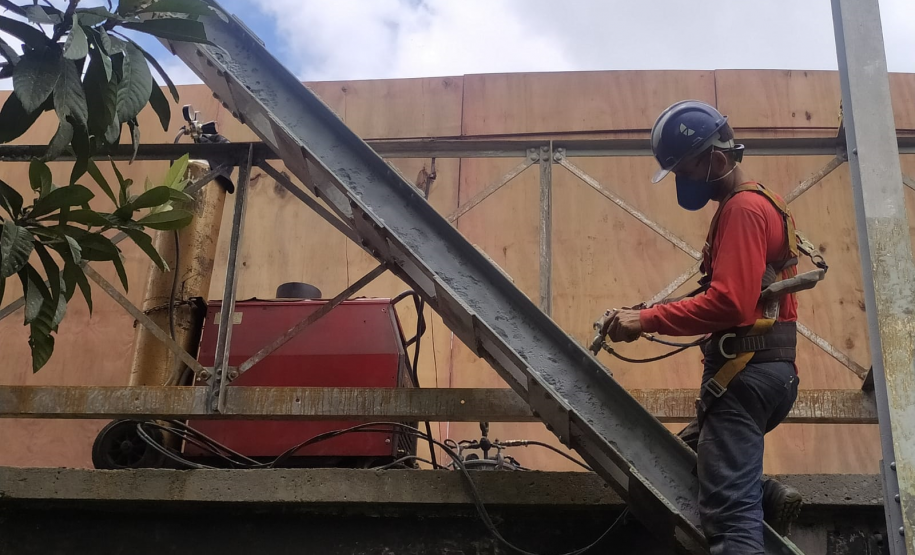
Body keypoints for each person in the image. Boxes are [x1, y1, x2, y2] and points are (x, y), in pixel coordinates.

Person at [604, 100, 804, 554]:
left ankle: (750, 500)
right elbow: (740, 294)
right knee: (683, 455)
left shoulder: (742, 210)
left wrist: (648, 320)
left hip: (746, 374)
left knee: (731, 523)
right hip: (769, 371)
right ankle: (768, 493)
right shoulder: (762, 204)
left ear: (715, 157)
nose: (683, 180)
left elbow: (730, 303)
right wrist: (648, 308)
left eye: (685, 168)